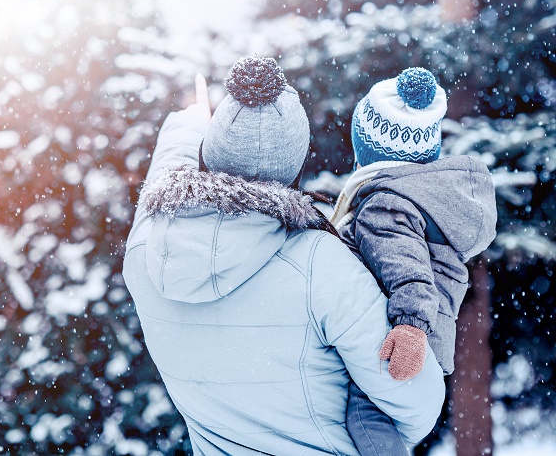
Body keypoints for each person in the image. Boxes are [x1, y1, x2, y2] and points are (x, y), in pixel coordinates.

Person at [123, 56, 445, 455]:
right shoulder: (321, 265)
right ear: (295, 173)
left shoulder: (145, 250)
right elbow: (417, 399)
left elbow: (167, 171)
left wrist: (189, 121)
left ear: (206, 154)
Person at [330, 68, 497, 456]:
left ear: (367, 147)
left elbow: (411, 275)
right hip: (426, 348)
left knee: (364, 421)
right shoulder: (422, 201)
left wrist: (410, 327)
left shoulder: (385, 206)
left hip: (403, 344)